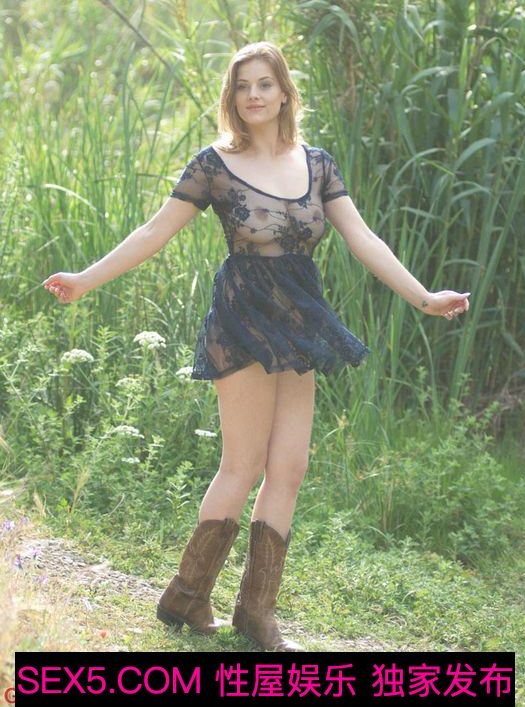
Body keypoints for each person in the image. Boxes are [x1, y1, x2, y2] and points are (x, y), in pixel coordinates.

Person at [42, 41, 470, 652]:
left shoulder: (317, 165)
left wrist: (424, 298)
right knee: (242, 466)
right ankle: (187, 596)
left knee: (289, 467)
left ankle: (256, 612)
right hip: (242, 316)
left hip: (299, 319)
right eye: (242, 85)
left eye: (264, 84)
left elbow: (363, 238)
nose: (253, 95)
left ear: (284, 92)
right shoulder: (213, 163)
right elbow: (154, 230)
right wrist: (86, 279)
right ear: (232, 96)